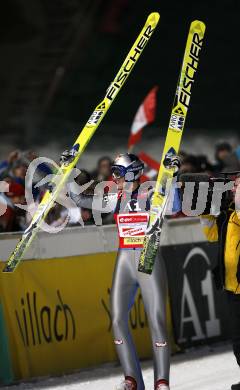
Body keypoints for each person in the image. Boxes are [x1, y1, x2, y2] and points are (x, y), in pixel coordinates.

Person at [62, 151, 180, 390]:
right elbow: (79, 199)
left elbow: (175, 205)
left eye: (118, 173)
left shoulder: (150, 193)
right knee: (117, 320)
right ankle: (132, 379)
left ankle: (162, 381)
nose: (113, 177)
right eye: (113, 172)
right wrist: (67, 171)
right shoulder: (116, 197)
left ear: (132, 173)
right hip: (125, 258)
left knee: (156, 321)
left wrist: (172, 177)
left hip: (148, 257)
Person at [200, 173, 240, 390]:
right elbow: (211, 235)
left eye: (237, 186)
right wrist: (208, 212)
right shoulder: (227, 215)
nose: (234, 190)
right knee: (238, 340)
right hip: (232, 285)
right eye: (234, 186)